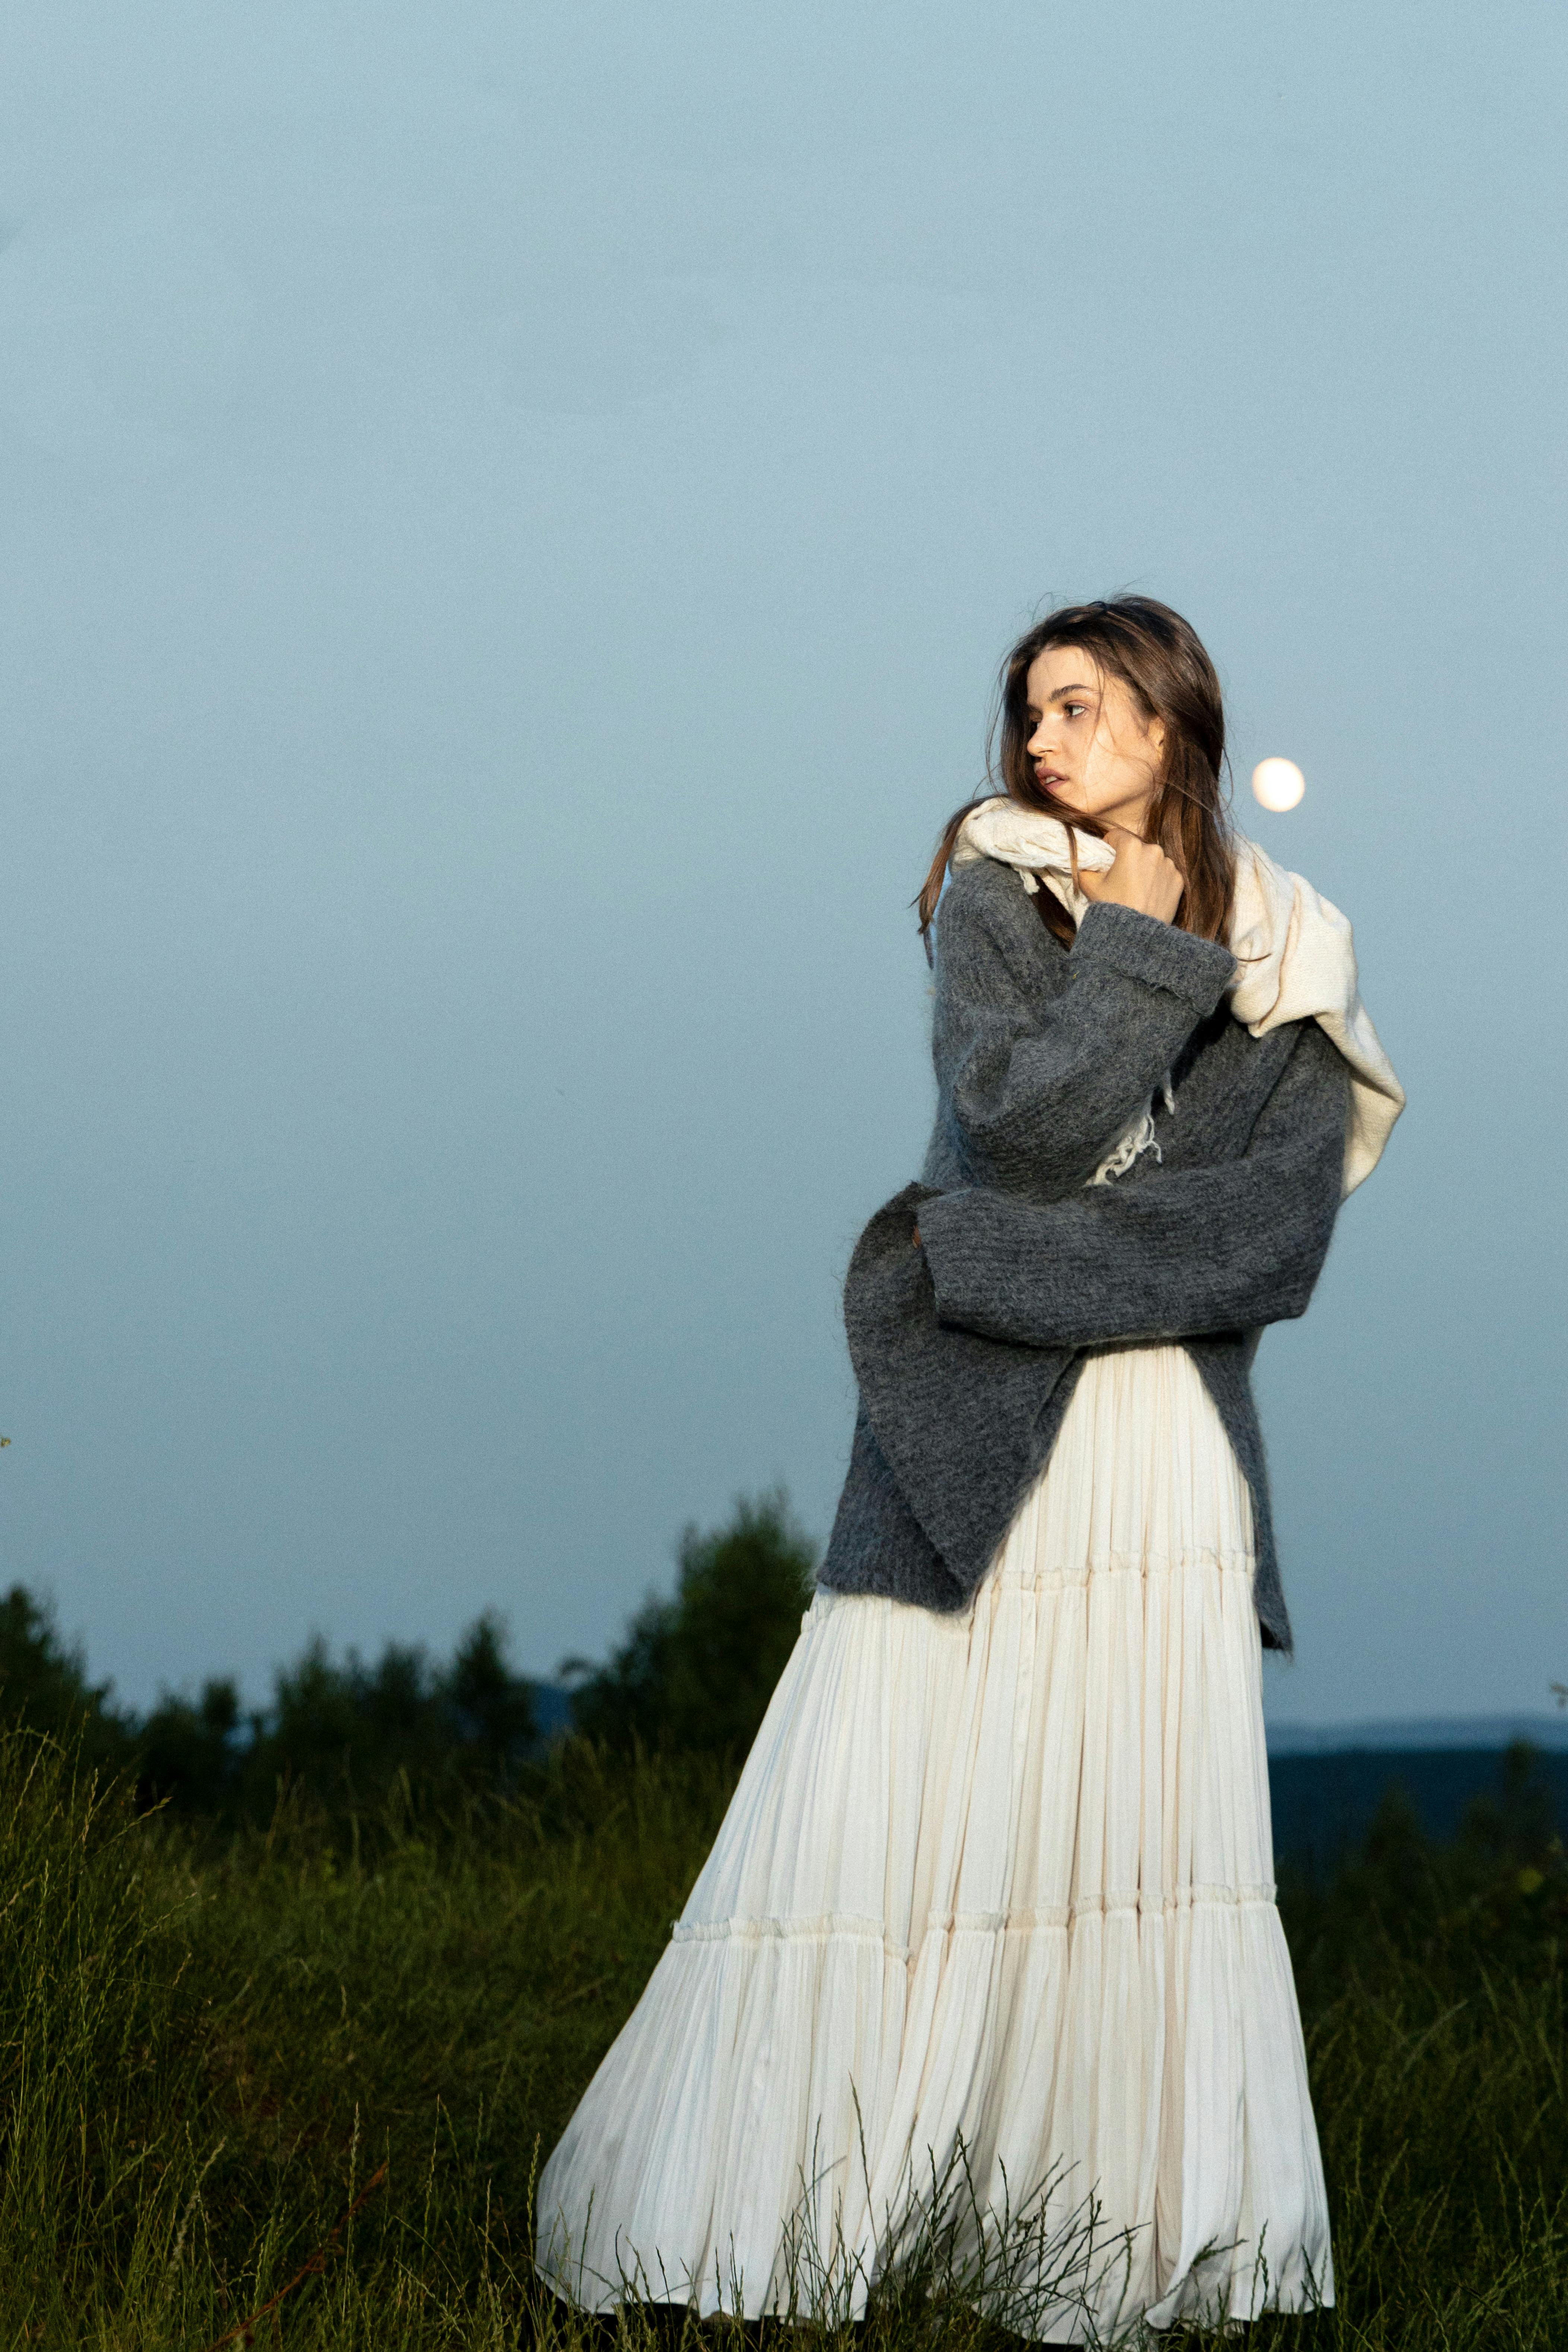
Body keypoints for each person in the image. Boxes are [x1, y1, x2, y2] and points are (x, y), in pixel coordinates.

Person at [536, 597, 1404, 2341]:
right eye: (1030, 712)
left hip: (1162, 1463)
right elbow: (1014, 1127)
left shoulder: (1304, 949)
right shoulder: (997, 891)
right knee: (884, 1827)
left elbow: (1269, 1241)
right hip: (964, 1446)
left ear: (1174, 724)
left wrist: (1010, 1263)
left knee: (1132, 1849)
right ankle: (777, 2237)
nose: (1044, 743)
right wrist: (1141, 968)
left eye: (1084, 708)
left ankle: (1108, 2255)